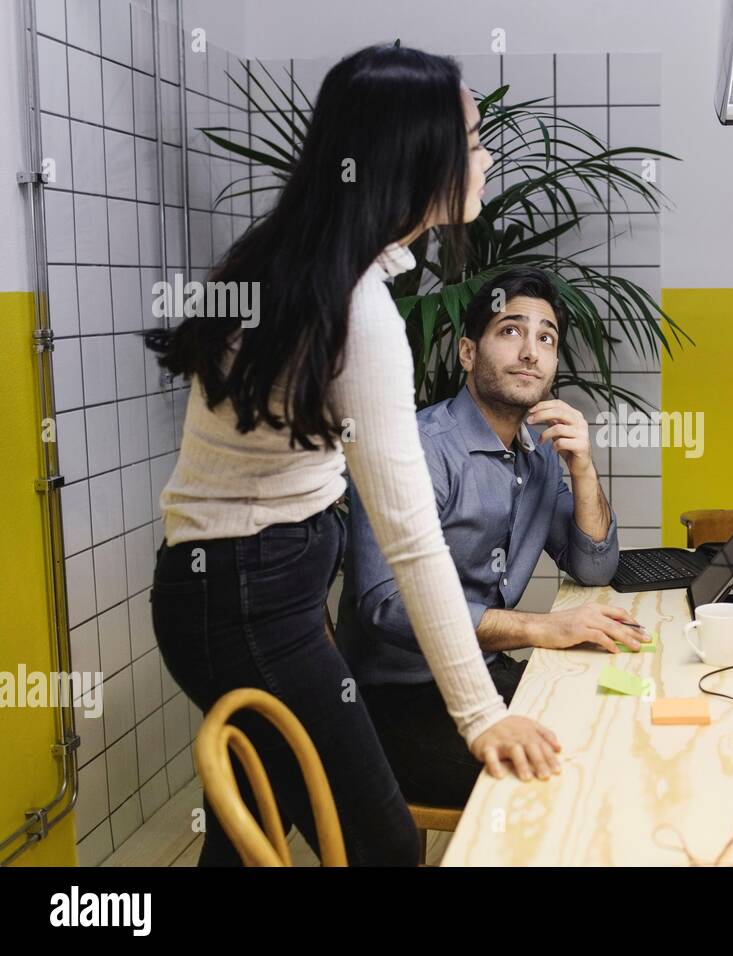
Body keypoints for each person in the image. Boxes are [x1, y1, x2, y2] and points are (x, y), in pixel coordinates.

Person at [144, 46, 559, 866]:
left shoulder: (298, 261)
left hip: (237, 588)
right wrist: (481, 714)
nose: (484, 155)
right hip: (247, 595)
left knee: (245, 834)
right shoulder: (357, 312)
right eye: (472, 138)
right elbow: (409, 537)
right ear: (418, 155)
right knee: (386, 845)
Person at [336, 266, 640, 806]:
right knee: (562, 784)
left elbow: (594, 566)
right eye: (511, 331)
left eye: (546, 339)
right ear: (468, 353)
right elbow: (386, 607)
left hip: (487, 675)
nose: (531, 352)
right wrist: (541, 628)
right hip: (397, 702)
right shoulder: (416, 450)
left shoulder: (542, 451)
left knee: (613, 731)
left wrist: (585, 469)